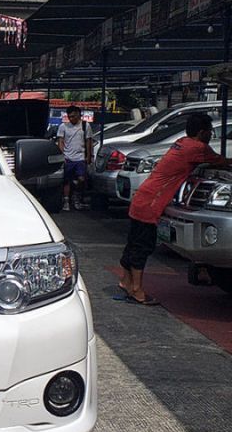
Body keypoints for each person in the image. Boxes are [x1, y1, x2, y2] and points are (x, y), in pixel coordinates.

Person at [119, 113, 229, 305]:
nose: (211, 135)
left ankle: (126, 282)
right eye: (210, 132)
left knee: (133, 244)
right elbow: (222, 162)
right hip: (151, 203)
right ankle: (137, 290)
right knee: (143, 247)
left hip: (142, 198)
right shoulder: (197, 148)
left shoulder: (181, 142)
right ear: (202, 132)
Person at [56, 105, 93, 211]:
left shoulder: (85, 126)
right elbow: (61, 141)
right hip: (68, 157)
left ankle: (76, 197)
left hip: (80, 157)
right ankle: (66, 201)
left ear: (78, 115)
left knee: (81, 179)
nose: (71, 119)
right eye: (69, 116)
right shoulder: (63, 127)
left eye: (73, 116)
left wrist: (89, 156)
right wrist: (61, 155)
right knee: (66, 180)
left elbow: (88, 141)